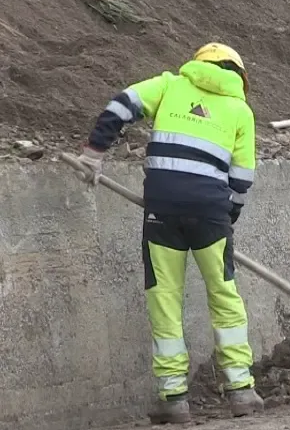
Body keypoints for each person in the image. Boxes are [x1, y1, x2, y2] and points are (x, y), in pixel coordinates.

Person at [76, 43, 264, 423]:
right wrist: (228, 219)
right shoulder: (240, 109)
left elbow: (120, 105)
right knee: (224, 294)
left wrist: (94, 152)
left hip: (162, 208)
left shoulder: (168, 85)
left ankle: (174, 399)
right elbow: (241, 179)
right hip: (212, 213)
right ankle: (241, 391)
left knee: (164, 297)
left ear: (197, 64)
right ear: (239, 77)